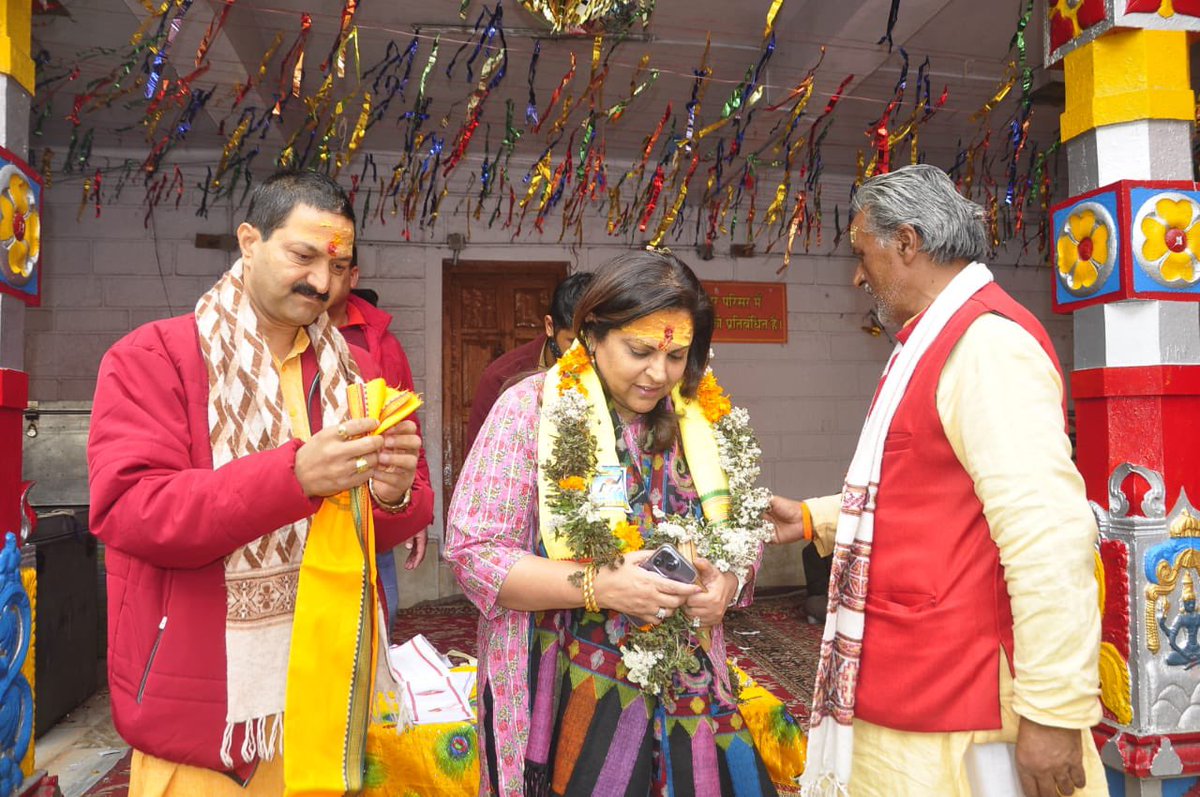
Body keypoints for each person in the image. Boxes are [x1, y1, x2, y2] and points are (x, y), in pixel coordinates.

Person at [87, 170, 433, 796]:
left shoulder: (351, 371)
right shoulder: (155, 357)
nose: (320, 282)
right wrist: (294, 476)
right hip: (207, 713)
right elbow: (133, 510)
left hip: (330, 692)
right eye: (302, 255)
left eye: (338, 265)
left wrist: (392, 494)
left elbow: (394, 517)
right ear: (249, 241)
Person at [767, 164, 1104, 797]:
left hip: (962, 699)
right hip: (914, 682)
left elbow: (1050, 536)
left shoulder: (986, 347)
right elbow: (929, 490)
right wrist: (816, 518)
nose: (858, 275)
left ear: (907, 243)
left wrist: (1054, 713)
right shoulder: (934, 338)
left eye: (863, 254)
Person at [445, 250, 779, 797]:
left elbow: (739, 532)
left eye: (677, 356)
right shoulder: (528, 410)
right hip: (556, 678)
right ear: (592, 335)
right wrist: (599, 586)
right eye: (640, 351)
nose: (658, 373)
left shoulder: (700, 417)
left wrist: (727, 584)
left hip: (686, 681)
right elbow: (476, 552)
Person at [327, 244, 432, 629]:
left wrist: (417, 509)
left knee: (378, 630)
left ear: (353, 276)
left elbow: (408, 429)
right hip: (302, 513)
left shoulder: (380, 342)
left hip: (372, 513)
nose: (321, 278)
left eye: (336, 267)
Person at [464, 270, 594, 452]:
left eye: (593, 343)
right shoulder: (501, 378)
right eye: (572, 342)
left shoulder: (612, 369)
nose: (585, 355)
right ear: (550, 326)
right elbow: (480, 459)